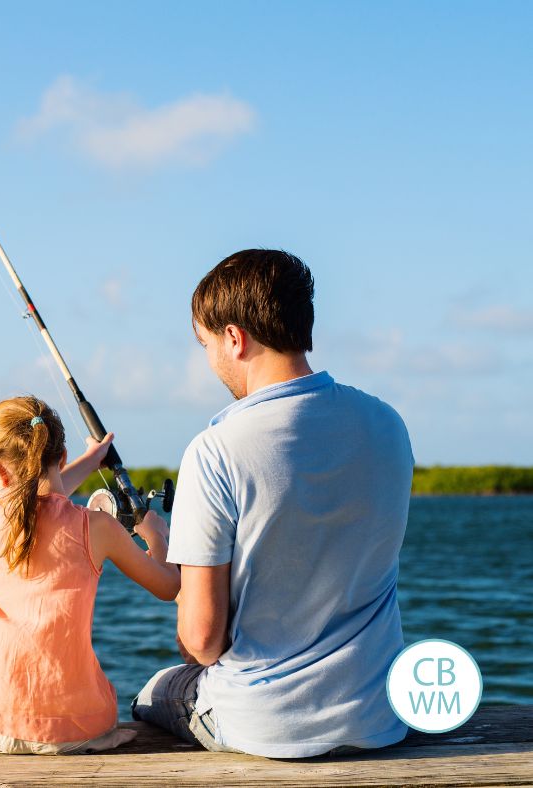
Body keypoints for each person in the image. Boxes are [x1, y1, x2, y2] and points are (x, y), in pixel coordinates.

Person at [133, 249, 414, 758]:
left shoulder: (215, 450)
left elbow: (202, 643)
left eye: (206, 344)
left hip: (265, 727)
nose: (209, 359)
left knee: (154, 692)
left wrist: (179, 575)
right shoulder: (387, 424)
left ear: (234, 338)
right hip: (380, 715)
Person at [0, 395, 180, 755]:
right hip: (75, 731)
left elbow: (31, 501)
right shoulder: (98, 527)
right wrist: (157, 538)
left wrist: (91, 461)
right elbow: (168, 586)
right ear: (61, 457)